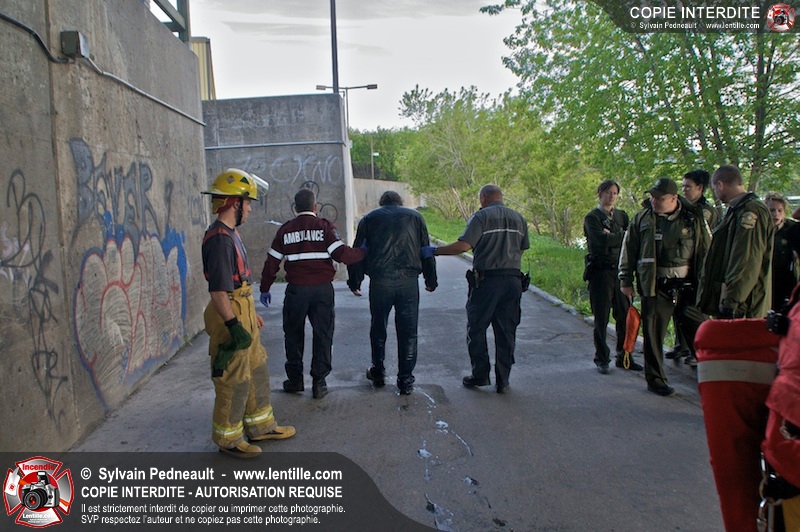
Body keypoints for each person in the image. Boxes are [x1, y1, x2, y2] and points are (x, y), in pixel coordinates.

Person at [201, 168, 295, 459]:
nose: (251, 208)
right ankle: (228, 439)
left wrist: (250, 316)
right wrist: (234, 325)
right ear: (234, 202)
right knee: (234, 377)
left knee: (255, 368)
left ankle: (261, 426)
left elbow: (237, 286)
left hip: (241, 308)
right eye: (248, 202)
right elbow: (219, 292)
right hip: (229, 313)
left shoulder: (231, 234)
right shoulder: (219, 240)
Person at [260, 188, 365, 400]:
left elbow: (272, 263)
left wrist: (265, 287)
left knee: (293, 335)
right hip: (322, 291)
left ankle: (295, 380)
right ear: (315, 207)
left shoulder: (285, 230)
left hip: (296, 291)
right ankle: (319, 383)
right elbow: (342, 254)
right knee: (323, 334)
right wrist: (363, 251)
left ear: (295, 208)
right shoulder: (324, 227)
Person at [423, 184, 529, 394]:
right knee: (506, 331)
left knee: (477, 327)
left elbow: (463, 246)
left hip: (487, 281)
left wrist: (435, 251)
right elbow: (522, 249)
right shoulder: (519, 218)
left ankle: (480, 375)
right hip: (513, 281)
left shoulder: (481, 217)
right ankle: (503, 379)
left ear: (483, 198)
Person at [619, 178, 709, 396]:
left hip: (688, 287)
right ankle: (656, 380)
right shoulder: (642, 219)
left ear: (674, 198)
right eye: (652, 197)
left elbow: (707, 249)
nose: (654, 201)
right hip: (655, 286)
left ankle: (712, 378)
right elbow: (628, 250)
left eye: (659, 198)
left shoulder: (693, 218)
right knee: (653, 335)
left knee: (702, 332)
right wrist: (626, 280)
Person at [347, 191, 437, 395]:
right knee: (409, 332)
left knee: (378, 327)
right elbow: (425, 249)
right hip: (408, 281)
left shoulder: (369, 219)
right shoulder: (415, 217)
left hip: (380, 281)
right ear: (400, 202)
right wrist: (430, 279)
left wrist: (355, 281)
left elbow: (359, 251)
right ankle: (405, 380)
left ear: (381, 203)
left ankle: (378, 371)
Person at [698, 164, 774, 319]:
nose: (716, 192)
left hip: (744, 305)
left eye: (715, 188)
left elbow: (745, 260)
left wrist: (731, 301)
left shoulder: (750, 212)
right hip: (737, 300)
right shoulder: (735, 211)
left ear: (720, 185)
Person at [583, 180, 642, 374]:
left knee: (624, 315)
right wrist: (620, 236)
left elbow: (632, 239)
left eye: (615, 193)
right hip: (601, 272)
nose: (612, 196)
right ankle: (602, 358)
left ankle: (624, 356)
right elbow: (600, 240)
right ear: (600, 194)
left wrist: (616, 236)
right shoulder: (592, 217)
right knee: (601, 316)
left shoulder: (621, 216)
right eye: (608, 192)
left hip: (620, 270)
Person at [665, 169, 719, 362]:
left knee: (693, 312)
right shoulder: (683, 209)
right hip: (682, 268)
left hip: (698, 268)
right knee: (678, 309)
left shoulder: (705, 211)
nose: (684, 190)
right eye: (683, 186)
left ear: (700, 188)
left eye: (688, 187)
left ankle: (697, 351)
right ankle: (681, 345)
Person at [764, 192, 798, 311]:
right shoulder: (760, 229)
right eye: (772, 210)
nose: (776, 214)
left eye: (780, 210)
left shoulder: (792, 229)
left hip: (786, 282)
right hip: (766, 281)